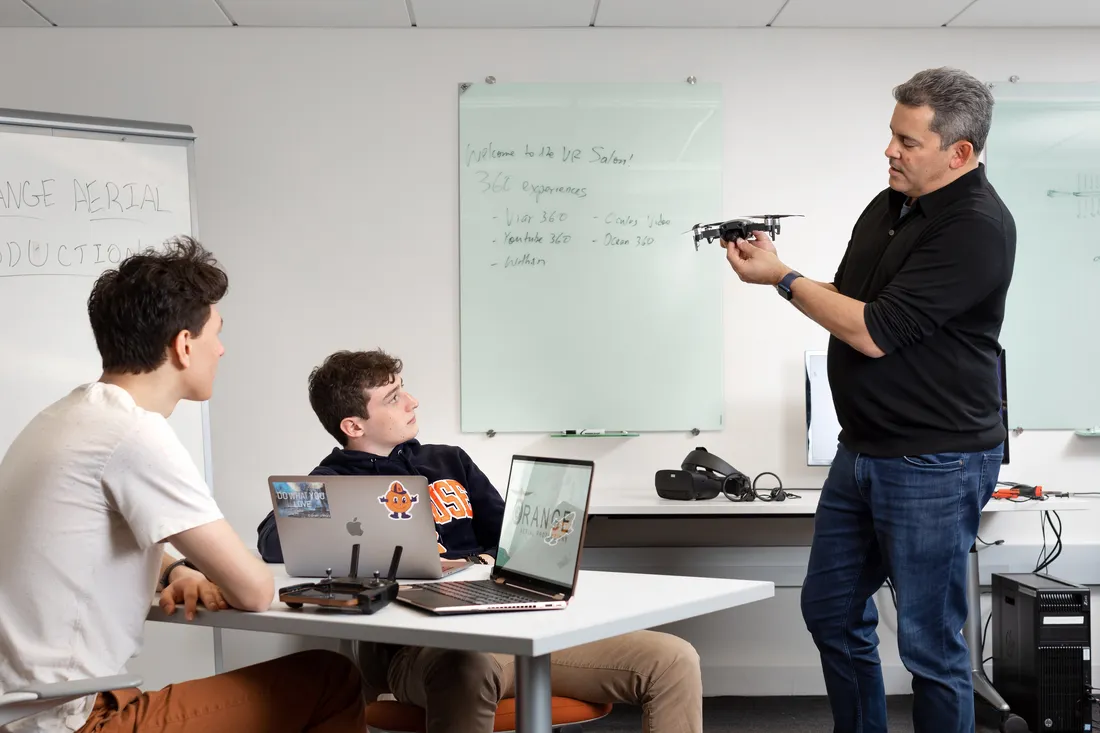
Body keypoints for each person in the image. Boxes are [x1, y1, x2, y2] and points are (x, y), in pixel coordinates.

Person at [722, 67, 1015, 733]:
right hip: (863, 452)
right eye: (892, 135)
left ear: (959, 153)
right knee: (830, 610)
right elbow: (855, 304)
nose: (890, 151)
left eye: (908, 142)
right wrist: (781, 268)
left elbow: (873, 332)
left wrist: (780, 277)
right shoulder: (891, 206)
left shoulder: (977, 228)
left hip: (933, 462)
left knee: (929, 646)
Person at [0, 237, 367, 733]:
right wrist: (207, 574)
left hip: (29, 708)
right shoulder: (134, 433)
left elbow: (86, 544)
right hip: (67, 720)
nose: (222, 348)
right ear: (183, 345)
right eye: (216, 332)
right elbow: (255, 590)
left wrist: (174, 571)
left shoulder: (64, 417)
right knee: (331, 677)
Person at [256, 349, 703, 733]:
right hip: (426, 649)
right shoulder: (332, 481)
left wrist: (534, 537)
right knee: (466, 666)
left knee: (672, 659)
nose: (412, 401)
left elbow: (512, 538)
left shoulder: (447, 460)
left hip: (515, 626)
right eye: (393, 398)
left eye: (404, 388)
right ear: (353, 425)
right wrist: (386, 544)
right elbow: (273, 541)